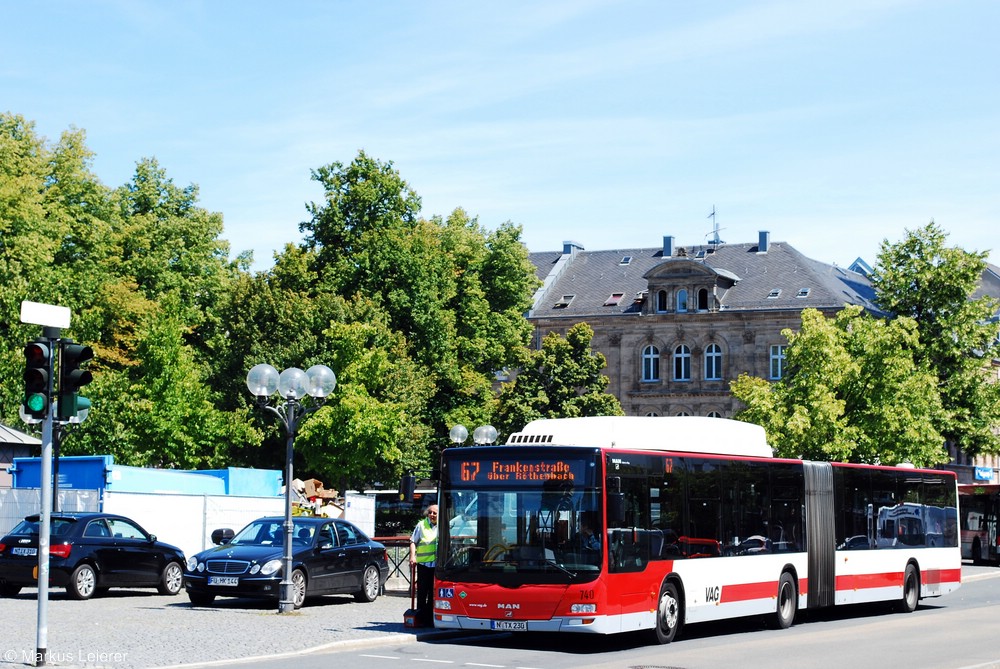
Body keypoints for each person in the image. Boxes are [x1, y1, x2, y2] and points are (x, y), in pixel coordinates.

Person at [409, 504, 438, 624]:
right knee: (422, 592)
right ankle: (421, 617)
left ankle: (431, 618)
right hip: (424, 565)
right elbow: (412, 541)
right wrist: (412, 556)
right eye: (430, 512)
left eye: (434, 513)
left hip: (437, 566)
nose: (431, 515)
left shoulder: (443, 525)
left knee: (433, 592)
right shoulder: (421, 525)